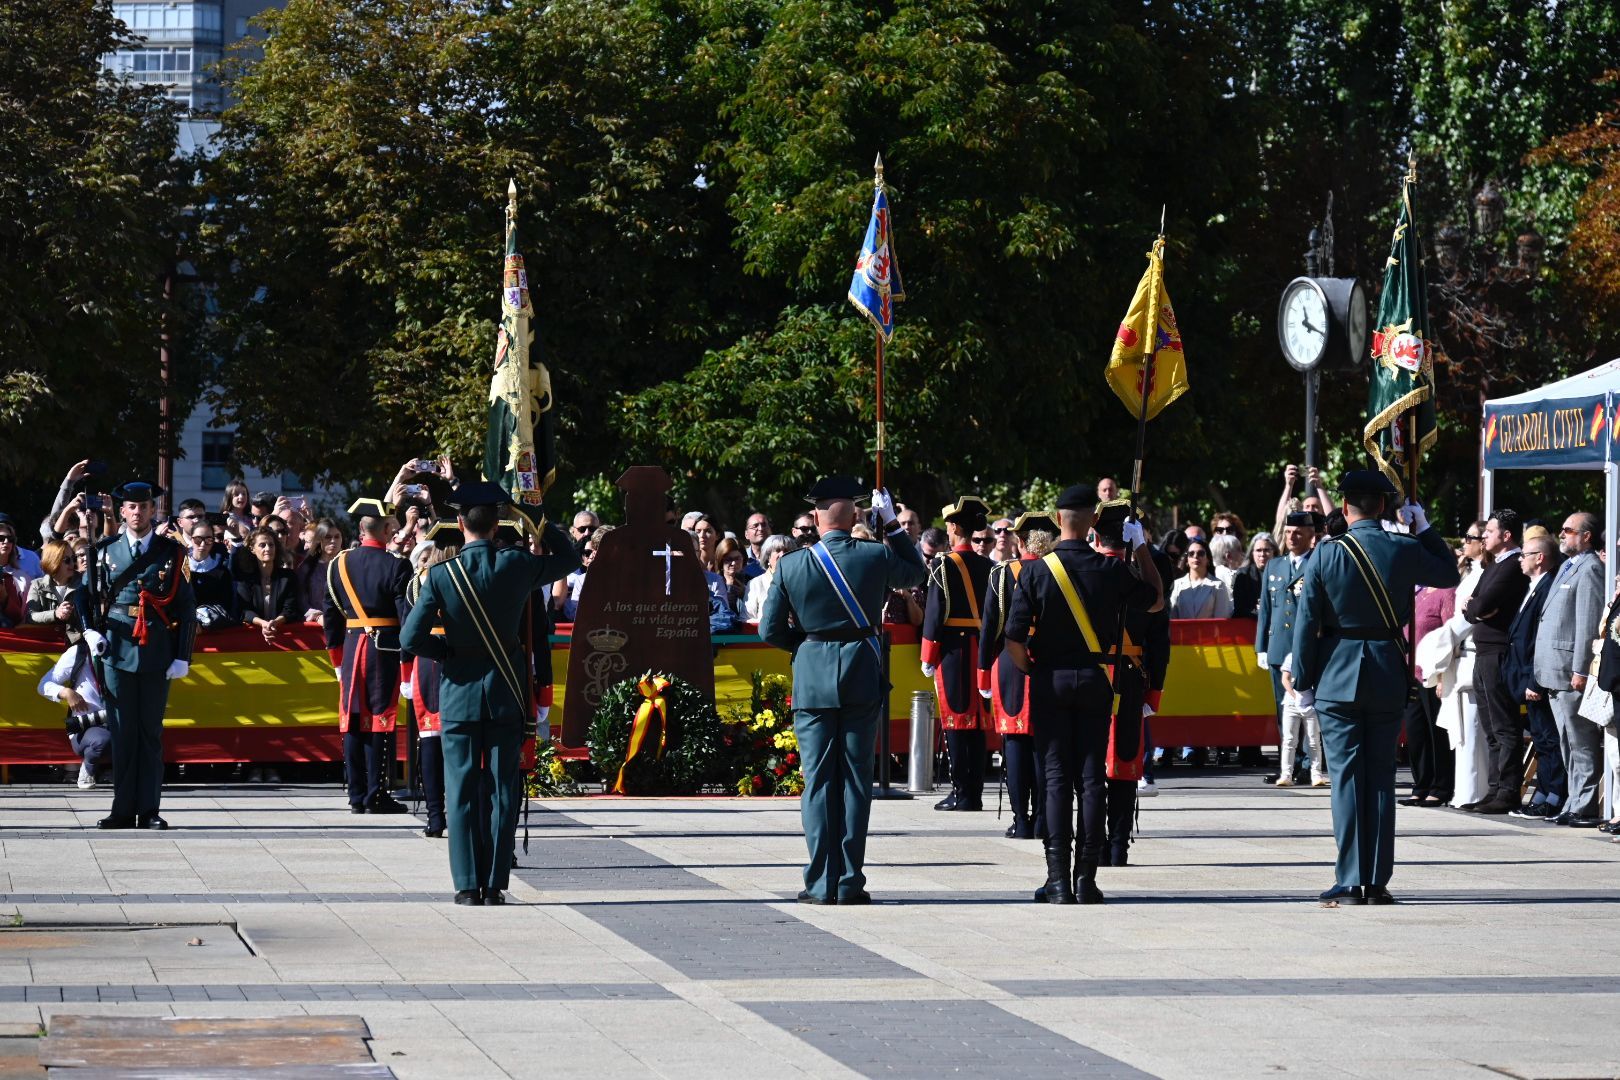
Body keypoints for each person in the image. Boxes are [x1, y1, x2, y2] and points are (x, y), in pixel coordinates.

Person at [400, 483, 580, 905]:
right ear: (498, 524)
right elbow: (570, 558)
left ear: (460, 524)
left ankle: (466, 884)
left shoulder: (442, 574)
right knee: (503, 790)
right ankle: (496, 883)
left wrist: (445, 651)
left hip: (459, 691)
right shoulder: (516, 564)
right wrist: (538, 520)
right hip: (505, 691)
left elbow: (410, 638)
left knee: (459, 791)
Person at [1291, 471, 1458, 905]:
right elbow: (1448, 574)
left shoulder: (1325, 553)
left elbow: (1308, 622)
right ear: (1384, 507)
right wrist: (1424, 527)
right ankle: (1377, 880)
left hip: (1337, 673)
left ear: (1344, 507)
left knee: (1346, 778)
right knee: (1382, 778)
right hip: (1385, 669)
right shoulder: (1404, 547)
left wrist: (1305, 681)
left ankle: (1350, 880)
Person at [759, 477, 925, 904]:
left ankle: (819, 882)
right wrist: (891, 523)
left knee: (817, 784)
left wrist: (807, 648)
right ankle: (849, 881)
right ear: (855, 516)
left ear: (815, 517)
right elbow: (917, 571)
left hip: (814, 677)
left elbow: (769, 629)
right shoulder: (875, 555)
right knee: (855, 781)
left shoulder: (792, 565)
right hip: (861, 675)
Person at [1003, 483, 1162, 904]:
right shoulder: (1111, 570)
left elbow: (1014, 637)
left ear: (1058, 520)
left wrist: (1030, 667)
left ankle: (1057, 880)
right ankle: (1086, 880)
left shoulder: (1035, 570)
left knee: (1055, 779)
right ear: (1093, 521)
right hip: (1097, 678)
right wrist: (1140, 547)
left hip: (1050, 678)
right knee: (1092, 780)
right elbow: (1156, 600)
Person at [75, 480, 197, 830]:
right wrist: (89, 630)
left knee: (149, 734)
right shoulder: (105, 551)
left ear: (152, 510)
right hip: (115, 648)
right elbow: (83, 595)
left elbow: (186, 607)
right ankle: (122, 809)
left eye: (144, 506)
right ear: (123, 511)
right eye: (131, 507)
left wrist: (182, 655)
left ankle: (149, 809)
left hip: (156, 650)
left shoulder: (172, 553)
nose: (138, 512)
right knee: (122, 732)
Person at [1089, 498, 1167, 866]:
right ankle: (1117, 844)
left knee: (1095, 764)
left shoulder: (1082, 570)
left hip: (1090, 675)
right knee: (1123, 763)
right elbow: (1160, 640)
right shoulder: (1143, 574)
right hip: (1130, 678)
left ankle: (1096, 843)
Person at [323, 498, 412, 815]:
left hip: (350, 649)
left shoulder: (338, 565)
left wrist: (337, 661)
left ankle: (357, 794)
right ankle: (376, 794)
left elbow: (330, 619)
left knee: (352, 720)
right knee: (380, 719)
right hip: (383, 651)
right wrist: (409, 663)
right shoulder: (397, 565)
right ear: (386, 529)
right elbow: (407, 618)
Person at [978, 510, 1055, 840]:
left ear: (1020, 541)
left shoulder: (1002, 575)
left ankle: (1020, 819)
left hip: (1010, 661)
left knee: (1014, 742)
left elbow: (990, 628)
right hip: (1048, 661)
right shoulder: (1058, 574)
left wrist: (983, 672)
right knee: (1044, 743)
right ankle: (1041, 818)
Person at [1533, 511, 1607, 826]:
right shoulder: (1567, 565)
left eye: (1568, 529)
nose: (1561, 535)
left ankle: (1585, 805)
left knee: (1582, 742)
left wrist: (1580, 669)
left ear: (1586, 535)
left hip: (1569, 671)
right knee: (1567, 742)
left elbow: (1587, 623)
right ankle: (1575, 801)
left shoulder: (1590, 568)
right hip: (1553, 672)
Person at [921, 496, 995, 812]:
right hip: (983, 650)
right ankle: (974, 791)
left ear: (953, 527)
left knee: (955, 721)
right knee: (977, 724)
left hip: (954, 650)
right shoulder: (990, 566)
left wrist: (928, 654)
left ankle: (961, 792)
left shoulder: (943, 564)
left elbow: (934, 613)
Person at [1459, 509, 1529, 814]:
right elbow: (1470, 606)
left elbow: (1482, 604)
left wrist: (1477, 608)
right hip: (1482, 650)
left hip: (1499, 651)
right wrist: (1476, 608)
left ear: (1506, 535)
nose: (1484, 536)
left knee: (1504, 725)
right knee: (1489, 726)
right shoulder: (1492, 566)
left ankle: (1509, 790)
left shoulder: (1513, 565)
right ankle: (1494, 788)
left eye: (1489, 531)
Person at [402, 521, 462, 839]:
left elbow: (407, 631)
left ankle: (435, 816)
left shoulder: (420, 582)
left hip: (425, 659)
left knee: (430, 739)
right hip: (458, 655)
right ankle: (453, 812)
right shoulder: (464, 578)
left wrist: (404, 671)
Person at [1503, 530, 1564, 819]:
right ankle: (1543, 793)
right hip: (1522, 675)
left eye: (1524, 555)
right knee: (1541, 739)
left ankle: (1552, 796)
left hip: (1534, 677)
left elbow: (1540, 638)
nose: (1519, 561)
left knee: (1548, 740)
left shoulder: (1548, 586)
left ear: (1539, 558)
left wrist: (1533, 680)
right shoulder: (1534, 585)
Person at [1256, 511, 1317, 783]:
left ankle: (1309, 764)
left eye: (1298, 533)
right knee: (1284, 711)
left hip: (1306, 648)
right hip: (1279, 648)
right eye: (1288, 532)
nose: (1292, 537)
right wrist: (1262, 647)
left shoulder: (1316, 562)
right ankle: (1287, 765)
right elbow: (1266, 610)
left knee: (1309, 710)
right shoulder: (1275, 565)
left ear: (1310, 535)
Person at [37, 642, 114, 789]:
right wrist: (66, 692)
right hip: (88, 726)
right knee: (102, 741)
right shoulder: (79, 651)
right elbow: (44, 685)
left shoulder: (129, 650)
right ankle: (88, 769)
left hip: (123, 721)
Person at [234, 527, 299, 642]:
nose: (268, 548)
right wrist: (263, 624)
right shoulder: (245, 579)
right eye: (262, 545)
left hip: (285, 638)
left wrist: (274, 623)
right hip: (252, 641)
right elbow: (244, 610)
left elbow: (290, 609)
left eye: (271, 545)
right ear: (252, 549)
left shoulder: (288, 577)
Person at [26, 539, 82, 642]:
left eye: (73, 559)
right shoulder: (37, 585)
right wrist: (55, 614)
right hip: (50, 645)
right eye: (66, 560)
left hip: (79, 645)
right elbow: (30, 616)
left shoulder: (83, 583)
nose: (72, 564)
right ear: (53, 560)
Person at [1168, 539, 1232, 619]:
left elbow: (1222, 620)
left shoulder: (1219, 586)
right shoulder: (1177, 585)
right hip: (1183, 631)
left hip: (1209, 631)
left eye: (1200, 553)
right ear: (1187, 560)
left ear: (1208, 559)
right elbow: (1172, 619)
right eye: (1191, 554)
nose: (1195, 556)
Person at [743, 534, 796, 623]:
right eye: (777, 551)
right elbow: (746, 619)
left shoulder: (800, 582)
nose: (782, 554)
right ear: (768, 557)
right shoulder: (756, 584)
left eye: (786, 551)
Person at [1230, 532, 1274, 619]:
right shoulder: (1242, 576)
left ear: (1274, 552)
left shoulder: (1284, 573)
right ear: (1252, 553)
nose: (1262, 554)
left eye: (1266, 550)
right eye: (1258, 550)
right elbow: (1239, 608)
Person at [742, 512, 771, 577]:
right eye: (755, 526)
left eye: (764, 525)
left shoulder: (779, 556)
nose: (761, 528)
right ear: (746, 534)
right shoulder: (740, 559)